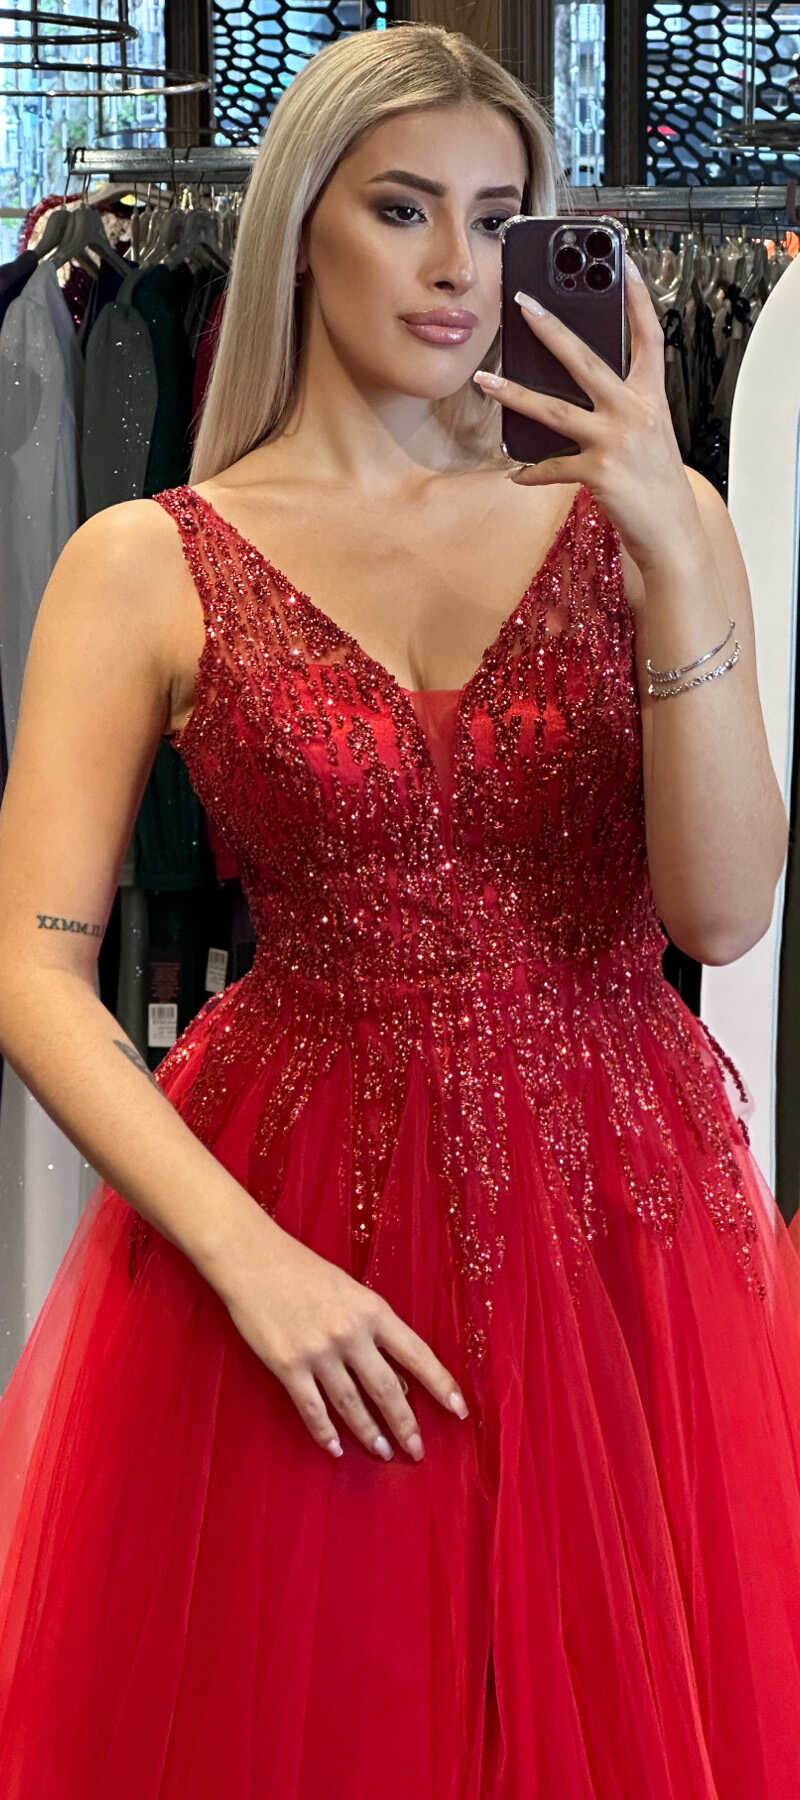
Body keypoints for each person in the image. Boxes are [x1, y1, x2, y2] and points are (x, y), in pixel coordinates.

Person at [0, 20, 799, 1797]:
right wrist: (249, 1260)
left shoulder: (650, 524)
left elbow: (725, 912)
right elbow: (35, 972)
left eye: (501, 220)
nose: (457, 267)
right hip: (302, 1202)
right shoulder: (146, 561)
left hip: (618, 1208)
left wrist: (674, 548)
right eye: (402, 208)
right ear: (302, 229)